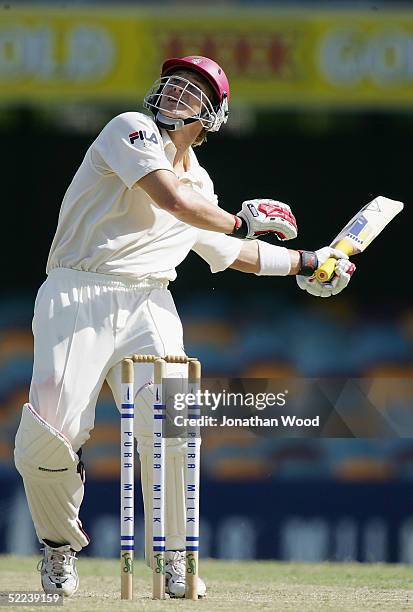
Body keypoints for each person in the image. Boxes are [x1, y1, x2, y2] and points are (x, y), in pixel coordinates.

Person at [14, 56, 355, 599]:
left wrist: (308, 262)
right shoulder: (131, 128)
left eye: (193, 91)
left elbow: (227, 249)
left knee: (172, 428)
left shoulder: (201, 182)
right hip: (80, 289)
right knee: (51, 431)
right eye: (173, 83)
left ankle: (174, 559)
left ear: (213, 116)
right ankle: (58, 548)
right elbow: (174, 201)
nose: (177, 93)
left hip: (151, 301)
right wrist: (243, 219)